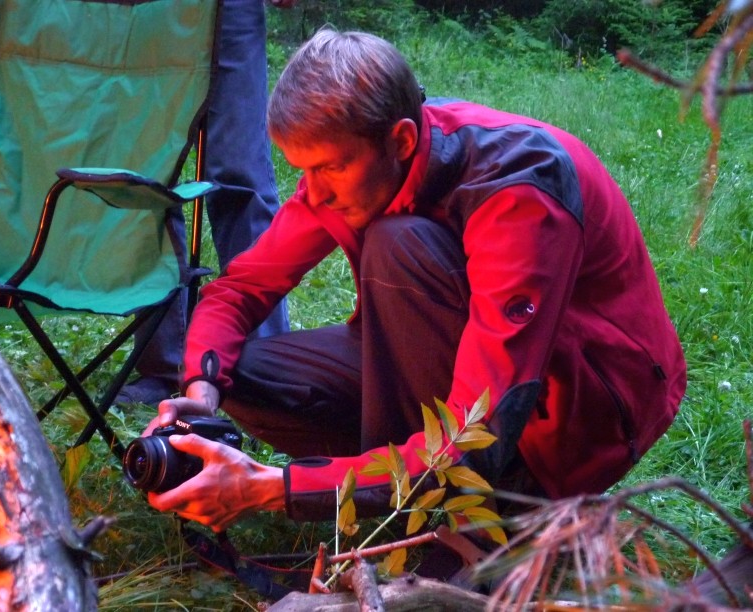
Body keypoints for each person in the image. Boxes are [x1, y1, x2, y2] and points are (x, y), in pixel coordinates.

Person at [142, 29, 687, 532]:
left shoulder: (517, 189)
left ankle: (493, 506)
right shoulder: (359, 164)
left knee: (397, 246)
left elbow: (480, 434)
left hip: (575, 409)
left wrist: (274, 488)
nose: (314, 192)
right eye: (300, 169)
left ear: (401, 141)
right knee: (246, 370)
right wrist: (202, 392)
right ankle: (400, 484)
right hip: (463, 369)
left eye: (328, 168)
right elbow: (238, 292)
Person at [117, 0, 294, 405]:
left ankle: (267, 373)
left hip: (230, 7)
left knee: (240, 174)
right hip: (147, 9)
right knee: (148, 178)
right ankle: (162, 365)